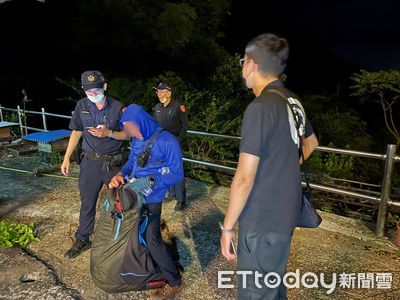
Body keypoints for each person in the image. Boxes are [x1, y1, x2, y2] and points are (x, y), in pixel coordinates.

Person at [220, 33, 319, 299]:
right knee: (272, 286)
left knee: (254, 291)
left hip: (262, 216)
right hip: (286, 211)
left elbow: (244, 178)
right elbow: (311, 143)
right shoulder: (292, 100)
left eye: (243, 62)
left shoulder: (260, 107)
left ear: (251, 64)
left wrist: (228, 227)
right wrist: (284, 166)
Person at [109, 104, 184, 300]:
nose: (127, 131)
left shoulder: (168, 141)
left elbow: (177, 174)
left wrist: (151, 182)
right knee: (136, 233)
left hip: (153, 197)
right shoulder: (136, 139)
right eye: (125, 126)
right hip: (134, 194)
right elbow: (131, 163)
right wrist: (120, 174)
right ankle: (151, 267)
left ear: (141, 122)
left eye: (130, 126)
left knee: (152, 238)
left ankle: (174, 281)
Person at [61, 70, 128, 259]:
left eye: (96, 90)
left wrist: (109, 133)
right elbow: (76, 132)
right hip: (89, 162)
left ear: (105, 87)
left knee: (121, 202)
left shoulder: (118, 107)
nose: (93, 95)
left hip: (112, 163)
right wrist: (67, 158)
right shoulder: (81, 105)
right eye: (88, 92)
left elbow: (129, 134)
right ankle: (82, 239)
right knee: (87, 203)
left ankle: (122, 239)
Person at [153, 82, 188, 211]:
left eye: (161, 92)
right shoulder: (157, 107)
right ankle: (171, 194)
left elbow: (184, 127)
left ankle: (181, 200)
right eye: (157, 92)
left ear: (169, 93)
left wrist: (177, 140)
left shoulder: (178, 106)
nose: (158, 94)